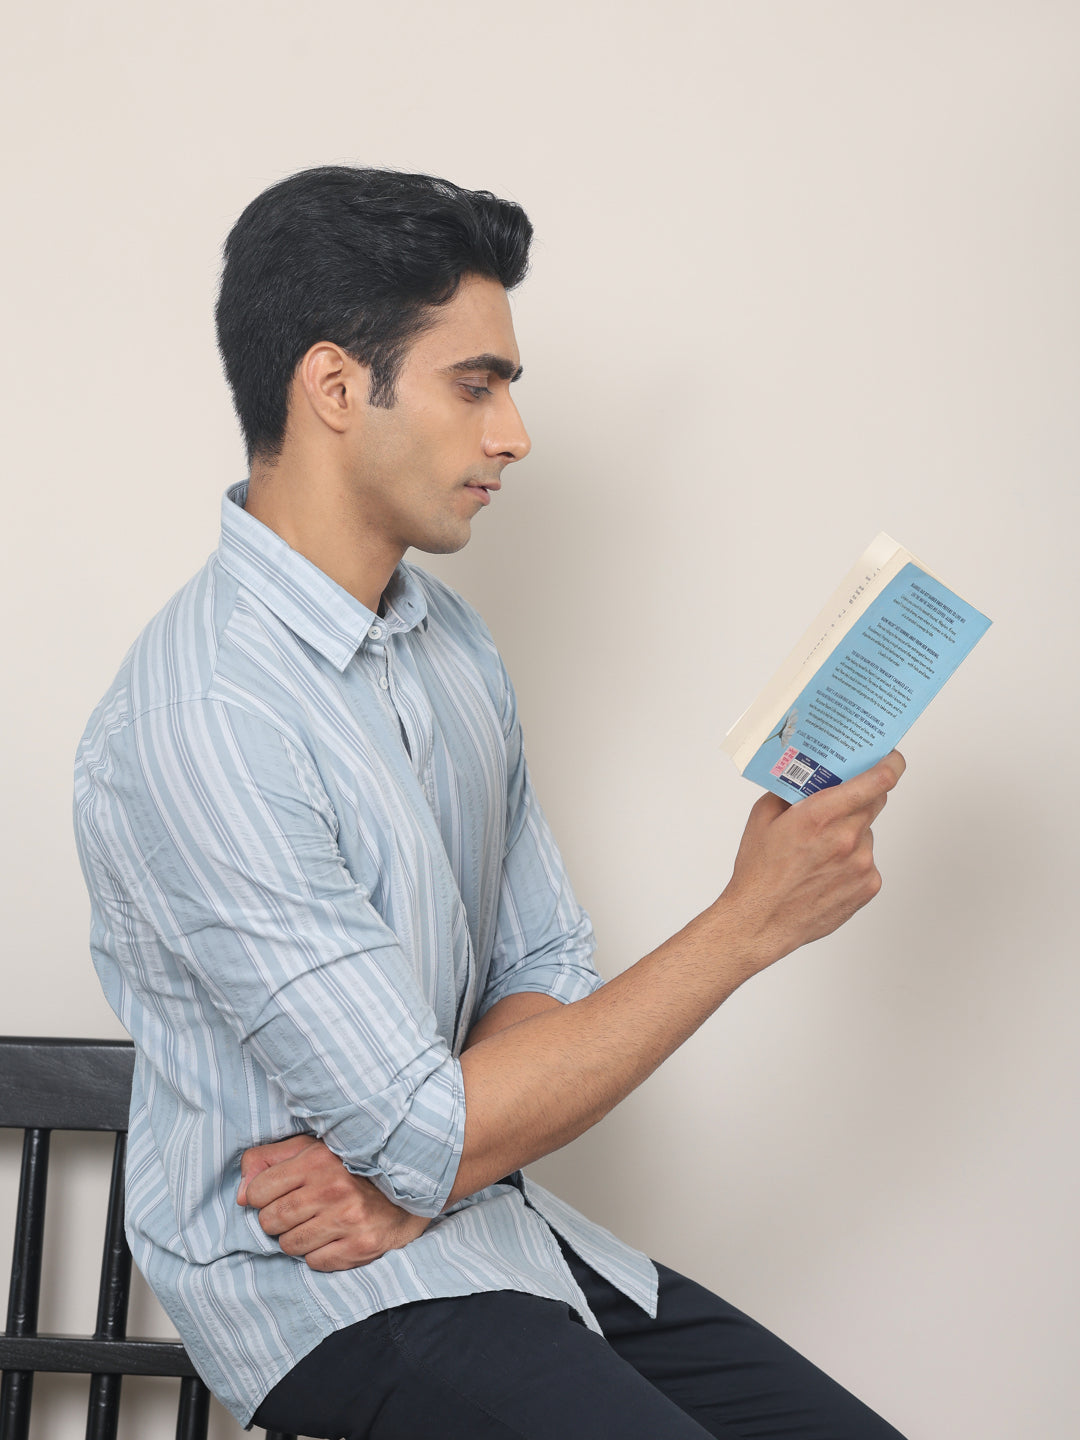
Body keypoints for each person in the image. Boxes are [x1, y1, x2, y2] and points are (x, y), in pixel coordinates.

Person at [74, 166, 908, 1440]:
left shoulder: (449, 645)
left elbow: (541, 961)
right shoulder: (204, 718)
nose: (514, 434)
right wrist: (754, 920)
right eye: (479, 384)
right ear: (338, 387)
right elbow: (425, 1130)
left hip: (493, 1226)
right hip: (320, 1292)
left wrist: (439, 1162)